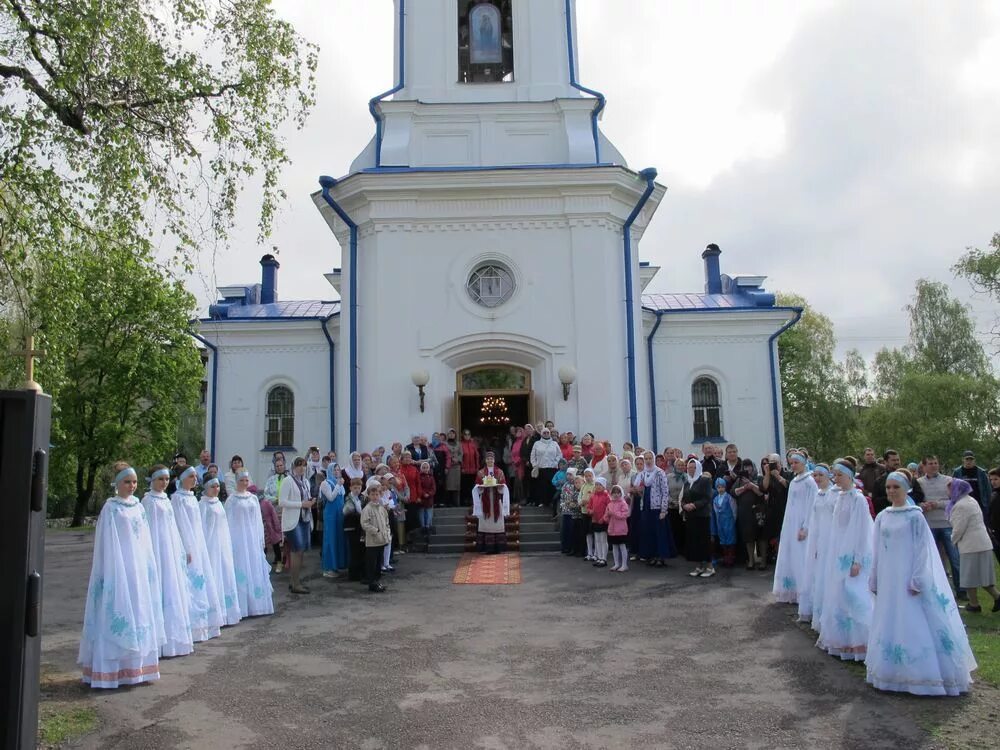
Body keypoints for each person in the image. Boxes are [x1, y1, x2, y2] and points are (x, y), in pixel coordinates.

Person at [866, 472, 977, 696]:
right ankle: (892, 673)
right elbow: (876, 549)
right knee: (892, 618)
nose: (891, 491)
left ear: (907, 488)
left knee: (913, 619)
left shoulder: (915, 516)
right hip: (890, 577)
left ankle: (922, 674)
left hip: (908, 576)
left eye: (896, 487)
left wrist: (917, 577)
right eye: (888, 487)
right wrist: (874, 575)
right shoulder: (883, 516)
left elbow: (923, 549)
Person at [79, 463, 165, 688]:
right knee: (118, 609)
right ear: (117, 484)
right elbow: (106, 542)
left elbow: (145, 540)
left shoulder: (138, 506)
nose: (131, 486)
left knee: (138, 609)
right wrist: (111, 569)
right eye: (127, 482)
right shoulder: (111, 508)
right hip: (119, 566)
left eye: (134, 482)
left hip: (138, 567)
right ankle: (112, 671)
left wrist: (149, 566)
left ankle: (137, 669)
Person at [815, 459, 874, 661]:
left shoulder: (859, 499)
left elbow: (863, 531)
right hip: (838, 552)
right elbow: (835, 528)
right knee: (838, 593)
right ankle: (842, 641)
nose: (836, 478)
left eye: (839, 474)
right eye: (835, 474)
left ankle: (861, 641)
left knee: (855, 594)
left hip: (853, 553)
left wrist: (857, 559)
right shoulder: (840, 497)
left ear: (849, 476)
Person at [141, 465, 194, 659]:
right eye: (160, 479)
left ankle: (173, 637)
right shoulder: (148, 501)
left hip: (169, 550)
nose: (163, 483)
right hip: (157, 549)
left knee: (172, 588)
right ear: (152, 481)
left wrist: (181, 548)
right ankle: (157, 639)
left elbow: (174, 527)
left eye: (166, 479)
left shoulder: (166, 500)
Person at [171, 466, 223, 641]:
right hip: (189, 545)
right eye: (191, 476)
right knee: (191, 584)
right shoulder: (178, 499)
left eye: (195, 476)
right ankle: (192, 626)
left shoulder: (191, 498)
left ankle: (203, 625)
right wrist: (187, 548)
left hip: (198, 543)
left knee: (202, 581)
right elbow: (180, 525)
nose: (195, 479)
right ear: (182, 479)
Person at [225, 471, 274, 616]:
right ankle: (242, 604)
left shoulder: (253, 498)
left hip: (251, 537)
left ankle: (257, 603)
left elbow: (258, 520)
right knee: (241, 566)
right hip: (238, 539)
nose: (245, 483)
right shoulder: (232, 500)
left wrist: (260, 538)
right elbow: (228, 521)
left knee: (254, 566)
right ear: (237, 481)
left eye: (247, 480)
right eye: (242, 480)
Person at [771, 453, 818, 604]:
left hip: (802, 523)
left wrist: (806, 527)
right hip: (791, 522)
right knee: (791, 554)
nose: (793, 465)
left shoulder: (809, 481)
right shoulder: (794, 481)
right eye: (791, 463)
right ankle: (791, 589)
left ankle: (803, 591)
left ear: (804, 463)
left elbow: (812, 506)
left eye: (796, 462)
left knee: (801, 555)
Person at [948, 478, 1000, 613]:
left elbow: (959, 528)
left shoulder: (961, 505)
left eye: (950, 489)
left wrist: (952, 540)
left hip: (971, 545)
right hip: (982, 543)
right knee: (983, 575)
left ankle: (975, 604)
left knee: (969, 576)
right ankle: (992, 598)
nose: (948, 492)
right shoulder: (971, 500)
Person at [917, 455, 963, 599]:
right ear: (924, 466)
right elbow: (915, 500)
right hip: (929, 525)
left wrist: (938, 504)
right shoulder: (919, 482)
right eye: (930, 463)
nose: (934, 466)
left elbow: (955, 501)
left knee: (955, 559)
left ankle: (961, 590)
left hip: (946, 523)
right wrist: (922, 505)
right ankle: (938, 589)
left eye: (936, 463)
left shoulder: (948, 480)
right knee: (933, 560)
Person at [198, 477, 241, 626]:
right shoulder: (203, 505)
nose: (216, 489)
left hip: (222, 544)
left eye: (217, 486)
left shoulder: (218, 504)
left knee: (225, 574)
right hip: (210, 546)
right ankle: (215, 614)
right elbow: (201, 528)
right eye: (213, 486)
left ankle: (228, 612)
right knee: (214, 574)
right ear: (206, 488)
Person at [798, 464, 836, 627]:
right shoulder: (818, 494)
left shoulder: (834, 494)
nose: (817, 478)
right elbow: (813, 517)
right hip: (819, 538)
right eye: (815, 475)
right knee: (818, 574)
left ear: (829, 476)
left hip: (831, 539)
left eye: (821, 475)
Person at [278, 456, 316, 594]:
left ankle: (295, 581)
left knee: (301, 551)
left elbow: (304, 498)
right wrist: (301, 504)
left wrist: (310, 502)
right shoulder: (288, 480)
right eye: (299, 465)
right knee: (296, 550)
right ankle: (295, 584)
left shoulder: (305, 481)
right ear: (293, 466)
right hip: (293, 521)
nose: (301, 468)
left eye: (304, 465)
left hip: (304, 518)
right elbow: (282, 502)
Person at [637, 450, 674, 567]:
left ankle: (660, 556)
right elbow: (640, 487)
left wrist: (664, 509)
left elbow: (665, 491)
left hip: (657, 506)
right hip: (647, 505)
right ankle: (652, 555)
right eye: (646, 459)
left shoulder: (660, 472)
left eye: (650, 459)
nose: (648, 461)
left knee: (659, 532)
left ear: (653, 459)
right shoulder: (643, 473)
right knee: (649, 531)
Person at [680, 457, 714, 577]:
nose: (691, 470)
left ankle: (710, 567)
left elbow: (707, 497)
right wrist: (684, 506)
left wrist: (694, 505)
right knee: (694, 541)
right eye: (689, 468)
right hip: (691, 516)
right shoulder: (687, 482)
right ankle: (699, 566)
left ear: (698, 468)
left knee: (704, 541)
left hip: (702, 515)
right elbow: (683, 498)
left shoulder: (704, 481)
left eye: (693, 468)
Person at [472, 451, 510, 554]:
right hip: (485, 500)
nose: (490, 460)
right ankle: (486, 547)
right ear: (485, 460)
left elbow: (503, 485)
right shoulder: (481, 472)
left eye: (491, 459)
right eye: (488, 459)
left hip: (496, 500)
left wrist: (499, 487)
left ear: (494, 460)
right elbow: (477, 486)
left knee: (497, 523)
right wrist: (481, 488)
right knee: (485, 522)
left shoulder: (500, 472)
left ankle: (498, 547)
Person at [733, 458, 766, 570]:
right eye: (745, 466)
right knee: (748, 537)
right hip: (745, 512)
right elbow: (733, 492)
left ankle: (763, 561)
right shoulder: (739, 479)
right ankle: (751, 560)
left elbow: (762, 493)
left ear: (753, 466)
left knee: (761, 537)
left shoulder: (759, 477)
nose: (748, 468)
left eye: (749, 466)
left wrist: (751, 485)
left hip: (758, 511)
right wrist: (744, 487)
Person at [360, 478, 391, 593]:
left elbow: (387, 522)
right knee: (371, 563)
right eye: (372, 494)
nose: (375, 496)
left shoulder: (382, 509)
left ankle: (377, 581)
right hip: (372, 541)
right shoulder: (367, 509)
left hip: (382, 540)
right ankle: (372, 583)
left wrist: (386, 533)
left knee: (378, 563)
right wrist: (376, 530)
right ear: (369, 496)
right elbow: (364, 523)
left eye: (377, 494)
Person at [761, 453, 791, 563]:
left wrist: (778, 476)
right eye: (771, 462)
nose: (773, 464)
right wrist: (768, 473)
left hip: (784, 509)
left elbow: (789, 487)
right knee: (771, 535)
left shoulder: (787, 474)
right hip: (771, 509)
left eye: (775, 462)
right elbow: (764, 488)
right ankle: (773, 556)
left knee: (783, 535)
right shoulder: (768, 475)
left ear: (780, 463)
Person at [320, 469, 347, 578]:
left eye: (338, 470)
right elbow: (330, 498)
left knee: (339, 538)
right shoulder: (325, 483)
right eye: (334, 470)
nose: (337, 472)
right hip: (331, 514)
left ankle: (337, 565)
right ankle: (328, 568)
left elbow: (342, 496)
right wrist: (338, 485)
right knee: (330, 539)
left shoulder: (339, 482)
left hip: (339, 513)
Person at [530, 427, 562, 514]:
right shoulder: (537, 443)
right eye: (544, 433)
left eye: (547, 433)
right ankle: (543, 502)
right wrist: (535, 465)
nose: (546, 434)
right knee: (542, 486)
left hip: (552, 468)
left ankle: (551, 502)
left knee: (552, 486)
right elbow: (533, 456)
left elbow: (559, 455)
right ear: (541, 434)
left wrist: (555, 463)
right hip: (541, 468)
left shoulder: (554, 443)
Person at [953, 450, 990, 515]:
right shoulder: (957, 472)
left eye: (971, 459)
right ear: (963, 460)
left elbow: (988, 489)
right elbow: (953, 489)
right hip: (963, 505)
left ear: (974, 460)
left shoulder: (981, 472)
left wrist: (988, 504)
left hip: (980, 505)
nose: (969, 461)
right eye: (967, 459)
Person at [343, 477, 366, 581]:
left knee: (360, 550)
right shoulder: (349, 498)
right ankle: (353, 574)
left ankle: (360, 572)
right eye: (355, 487)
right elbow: (346, 512)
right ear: (351, 488)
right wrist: (359, 514)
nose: (357, 490)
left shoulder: (361, 498)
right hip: (351, 527)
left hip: (359, 527)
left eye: (359, 487)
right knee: (354, 551)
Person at [711, 477, 737, 568]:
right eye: (718, 487)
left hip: (729, 521)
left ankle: (731, 559)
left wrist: (733, 520)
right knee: (723, 541)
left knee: (730, 540)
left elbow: (734, 510)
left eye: (722, 487)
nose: (720, 489)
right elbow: (715, 511)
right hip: (720, 522)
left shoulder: (729, 497)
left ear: (725, 487)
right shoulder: (715, 499)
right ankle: (725, 558)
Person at [256, 484, 283, 573]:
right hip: (261, 529)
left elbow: (273, 515)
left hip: (270, 528)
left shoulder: (266, 503)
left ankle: (279, 562)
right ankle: (263, 564)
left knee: (276, 546)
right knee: (263, 547)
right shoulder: (254, 504)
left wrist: (277, 527)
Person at [605, 485, 631, 572]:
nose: (616, 495)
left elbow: (625, 515)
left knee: (622, 546)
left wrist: (614, 513)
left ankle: (624, 564)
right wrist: (607, 516)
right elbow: (606, 517)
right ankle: (616, 563)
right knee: (614, 547)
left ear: (621, 493)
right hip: (612, 529)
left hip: (621, 529)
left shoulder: (623, 503)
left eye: (618, 493)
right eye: (614, 493)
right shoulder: (609, 504)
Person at [589, 477, 612, 567]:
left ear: (604, 486)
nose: (598, 486)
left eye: (600, 485)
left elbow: (609, 508)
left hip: (603, 521)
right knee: (597, 539)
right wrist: (590, 511)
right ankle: (598, 557)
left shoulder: (606, 496)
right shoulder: (593, 496)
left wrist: (604, 518)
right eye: (596, 485)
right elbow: (589, 507)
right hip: (595, 520)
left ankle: (604, 558)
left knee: (603, 539)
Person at [559, 468, 581, 555]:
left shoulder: (576, 485)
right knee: (565, 530)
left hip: (573, 512)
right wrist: (563, 505)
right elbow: (562, 497)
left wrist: (572, 505)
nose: (569, 476)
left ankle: (572, 548)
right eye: (567, 474)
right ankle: (565, 547)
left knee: (572, 531)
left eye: (571, 475)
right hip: (565, 511)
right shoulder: (565, 485)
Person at [579, 467, 598, 560]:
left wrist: (588, 501)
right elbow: (580, 496)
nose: (588, 478)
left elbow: (595, 498)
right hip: (584, 512)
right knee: (587, 533)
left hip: (593, 513)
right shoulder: (583, 486)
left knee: (594, 533)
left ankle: (596, 553)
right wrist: (580, 502)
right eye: (586, 476)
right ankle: (589, 552)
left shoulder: (595, 486)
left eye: (589, 476)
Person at [417, 461, 436, 532]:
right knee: (421, 512)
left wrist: (429, 494)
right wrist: (423, 493)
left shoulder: (431, 477)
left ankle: (428, 526)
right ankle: (423, 526)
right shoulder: (419, 476)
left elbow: (433, 488)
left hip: (429, 498)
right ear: (421, 468)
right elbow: (419, 486)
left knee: (429, 512)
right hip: (422, 497)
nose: (425, 469)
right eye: (424, 468)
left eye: (427, 467)